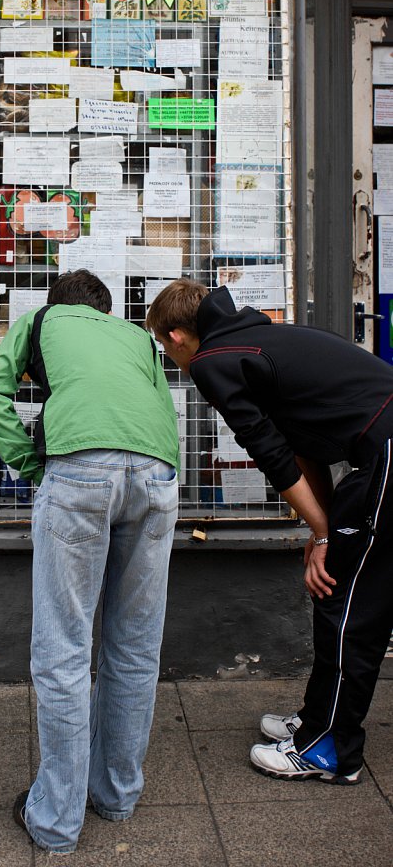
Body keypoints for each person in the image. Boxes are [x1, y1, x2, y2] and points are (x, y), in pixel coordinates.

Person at [146, 278, 393, 786]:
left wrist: (326, 536)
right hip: (378, 457)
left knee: (349, 608)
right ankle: (317, 719)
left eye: (165, 349)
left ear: (176, 337)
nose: (171, 361)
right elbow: (305, 449)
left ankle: (329, 749)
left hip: (388, 459)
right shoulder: (259, 339)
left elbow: (272, 456)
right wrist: (323, 528)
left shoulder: (216, 360)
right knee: (340, 597)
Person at [0, 270, 180, 854]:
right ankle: (116, 795)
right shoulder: (138, 337)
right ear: (105, 310)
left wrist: (32, 465)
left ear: (55, 306)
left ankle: (57, 822)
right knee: (135, 643)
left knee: (63, 648)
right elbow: (163, 409)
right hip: (156, 477)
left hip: (79, 473)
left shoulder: (39, 322)